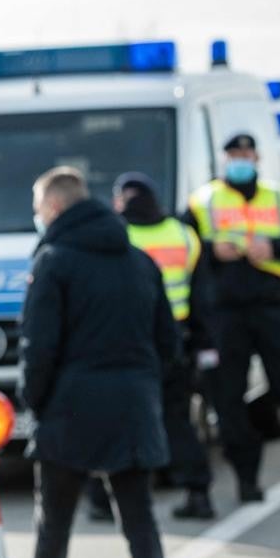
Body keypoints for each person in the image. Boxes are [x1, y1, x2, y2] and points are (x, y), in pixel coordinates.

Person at [20, 167, 178, 558]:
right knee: (139, 519)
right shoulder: (139, 260)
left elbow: (38, 347)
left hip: (69, 408)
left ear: (54, 208)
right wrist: (144, 387)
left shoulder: (54, 260)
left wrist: (35, 402)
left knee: (55, 524)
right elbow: (169, 343)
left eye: (37, 207)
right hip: (133, 406)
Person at [184, 133, 280, 502]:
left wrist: (274, 247)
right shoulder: (204, 200)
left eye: (245, 153)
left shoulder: (279, 195)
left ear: (256, 156)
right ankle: (247, 481)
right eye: (233, 154)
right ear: (225, 159)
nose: (240, 159)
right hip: (225, 315)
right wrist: (211, 250)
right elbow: (183, 242)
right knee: (229, 399)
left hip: (272, 309)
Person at [87, 173, 217, 521]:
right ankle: (198, 492)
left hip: (125, 340)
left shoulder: (114, 235)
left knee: (113, 420)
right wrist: (205, 346)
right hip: (175, 339)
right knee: (176, 420)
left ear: (119, 201)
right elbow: (203, 296)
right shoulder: (183, 235)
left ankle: (103, 499)